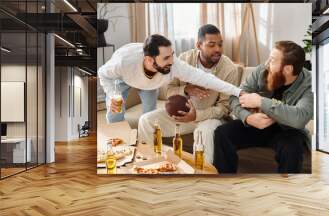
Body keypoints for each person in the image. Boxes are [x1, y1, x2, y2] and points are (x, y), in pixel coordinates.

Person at [138, 24, 240, 164]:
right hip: (181, 114)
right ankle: (149, 165)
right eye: (211, 45)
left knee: (204, 132)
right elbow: (168, 91)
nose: (217, 49)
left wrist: (196, 115)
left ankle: (202, 177)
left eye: (220, 44)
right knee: (146, 121)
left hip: (209, 118)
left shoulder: (229, 69)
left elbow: (224, 108)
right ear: (199, 44)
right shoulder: (183, 60)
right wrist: (186, 89)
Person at [213, 41, 313, 173]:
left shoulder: (309, 83)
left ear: (287, 69)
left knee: (292, 148)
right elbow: (234, 96)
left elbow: (300, 117)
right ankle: (225, 185)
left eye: (272, 60)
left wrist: (261, 101)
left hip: (288, 130)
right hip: (257, 124)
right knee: (222, 133)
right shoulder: (262, 71)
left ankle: (288, 190)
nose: (266, 63)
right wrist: (248, 118)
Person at [98, 34, 242, 123]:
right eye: (166, 58)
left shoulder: (174, 65)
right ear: (149, 60)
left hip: (150, 84)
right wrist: (112, 95)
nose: (172, 61)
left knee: (149, 117)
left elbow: (206, 79)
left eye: (172, 54)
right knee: (115, 114)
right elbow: (103, 74)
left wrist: (238, 92)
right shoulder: (123, 62)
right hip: (125, 78)